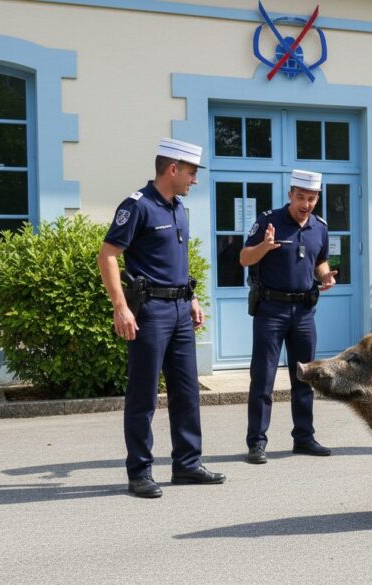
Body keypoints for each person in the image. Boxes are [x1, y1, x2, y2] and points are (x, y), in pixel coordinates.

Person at [98, 138, 225, 498]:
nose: (194, 180)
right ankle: (139, 471)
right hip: (150, 312)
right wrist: (120, 306)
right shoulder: (136, 206)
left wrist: (193, 297)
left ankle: (187, 465)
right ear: (173, 169)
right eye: (191, 172)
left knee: (187, 392)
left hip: (181, 311)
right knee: (144, 394)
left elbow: (176, 263)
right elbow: (108, 255)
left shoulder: (178, 208)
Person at [240, 170, 337, 464]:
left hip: (305, 311)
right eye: (300, 198)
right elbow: (244, 257)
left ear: (317, 198)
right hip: (272, 310)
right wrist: (264, 247)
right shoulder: (269, 220)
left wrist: (326, 276)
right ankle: (257, 442)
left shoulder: (320, 227)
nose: (305, 204)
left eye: (311, 198)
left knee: (305, 376)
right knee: (263, 377)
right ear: (290, 195)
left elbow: (319, 261)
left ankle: (304, 438)